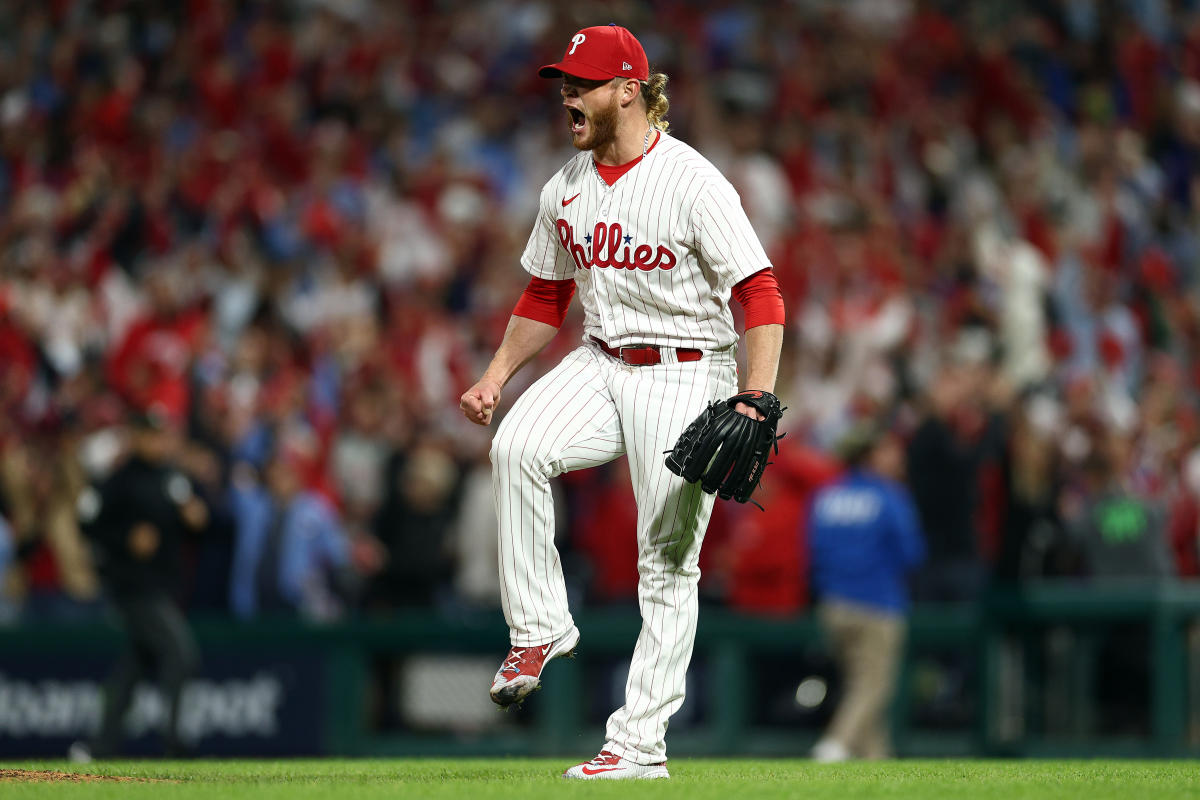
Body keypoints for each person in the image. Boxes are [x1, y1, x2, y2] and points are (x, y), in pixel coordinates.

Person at [459, 24, 785, 780]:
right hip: (601, 358)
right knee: (516, 447)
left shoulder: (693, 181)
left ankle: (639, 745)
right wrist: (496, 374)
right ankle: (539, 629)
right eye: (564, 83)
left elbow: (759, 294)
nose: (567, 95)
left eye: (583, 83)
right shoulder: (564, 186)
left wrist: (755, 394)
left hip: (689, 369)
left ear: (629, 90)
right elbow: (545, 294)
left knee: (666, 562)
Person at [72, 408, 207, 760]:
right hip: (134, 588)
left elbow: (200, 522)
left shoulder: (172, 478)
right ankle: (176, 745)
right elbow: (88, 525)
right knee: (180, 652)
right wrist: (125, 538)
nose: (156, 441)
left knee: (132, 669)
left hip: (166, 587)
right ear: (135, 437)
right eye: (149, 434)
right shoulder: (119, 480)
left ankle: (98, 747)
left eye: (160, 434)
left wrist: (197, 517)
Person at [808, 424, 925, 762]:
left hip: (833, 605)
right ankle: (834, 745)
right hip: (878, 604)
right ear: (871, 457)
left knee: (859, 686)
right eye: (890, 452)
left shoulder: (827, 495)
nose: (898, 459)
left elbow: (813, 551)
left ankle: (876, 761)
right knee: (873, 687)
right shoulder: (889, 496)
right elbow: (912, 553)